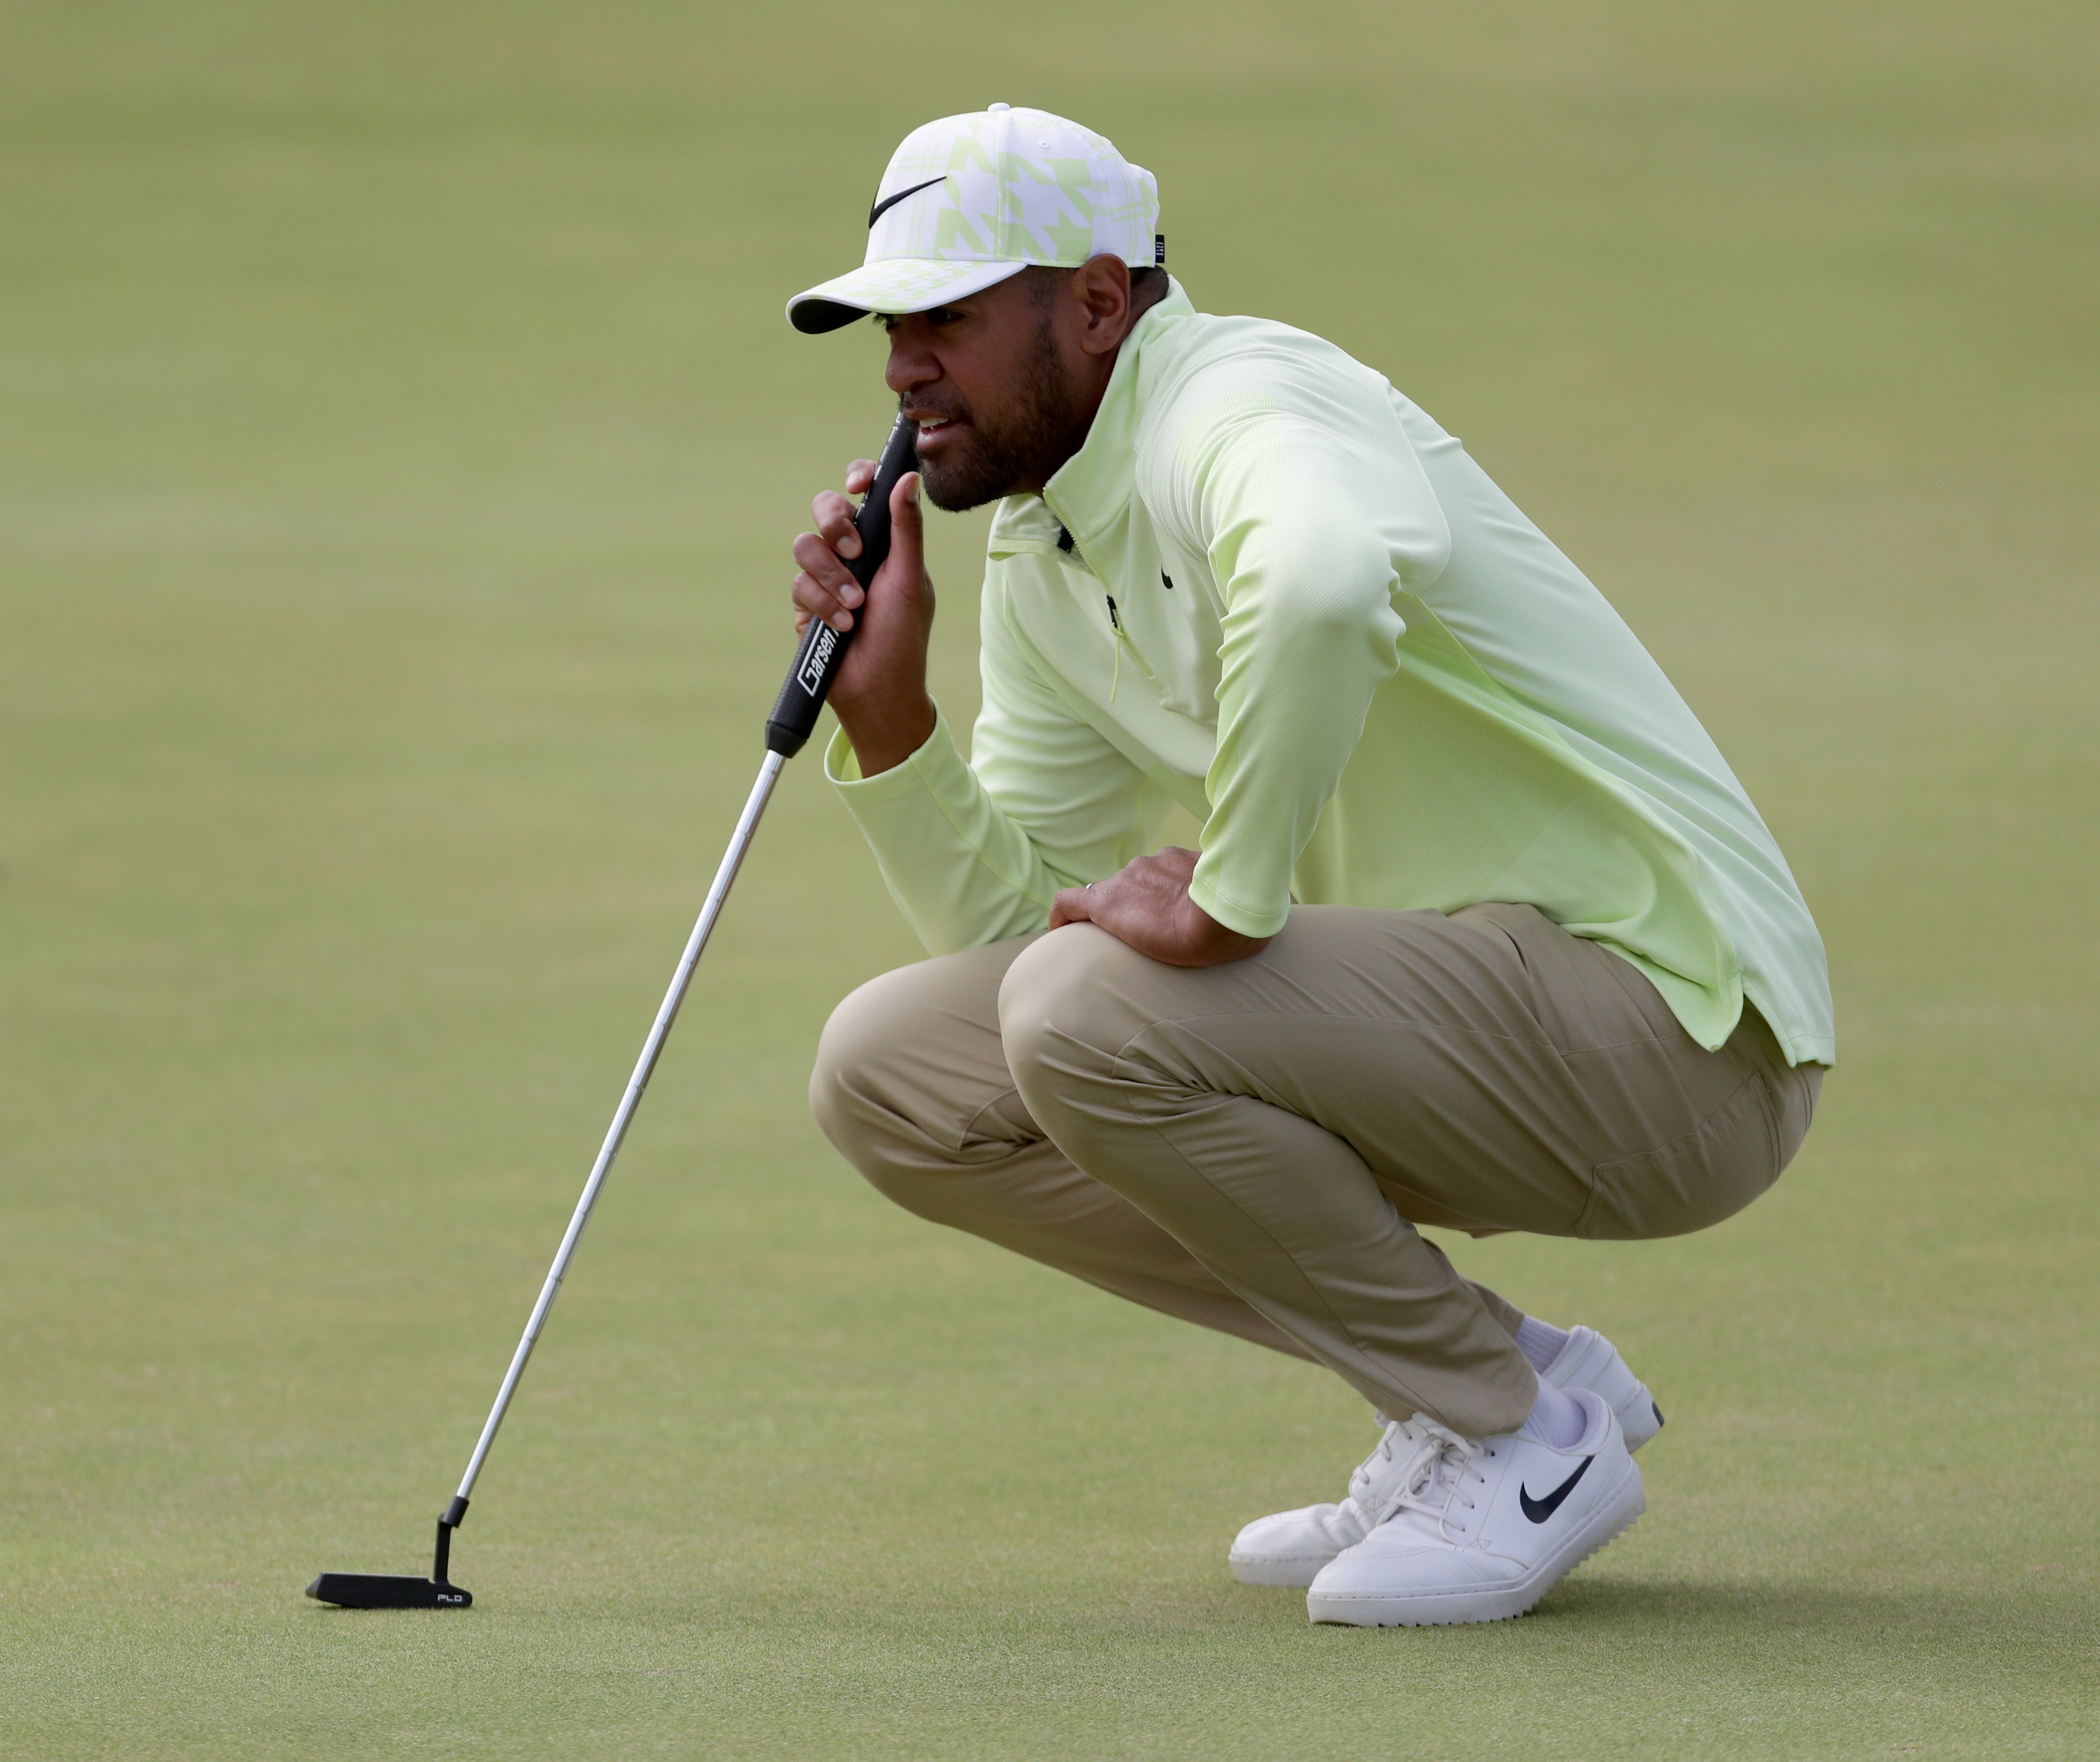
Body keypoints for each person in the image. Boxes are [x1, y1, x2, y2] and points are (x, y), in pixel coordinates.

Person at [784, 105, 1832, 1627]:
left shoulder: (1242, 398)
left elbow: (1325, 575)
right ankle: (1496, 1380)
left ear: (1092, 301)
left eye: (943, 315)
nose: (899, 367)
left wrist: (1232, 893)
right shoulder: (1046, 556)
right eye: (890, 326)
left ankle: (1520, 1447)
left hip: (1681, 1030)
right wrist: (894, 726)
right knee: (889, 1072)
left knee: (1085, 1010)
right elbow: (1021, 956)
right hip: (1466, 1035)